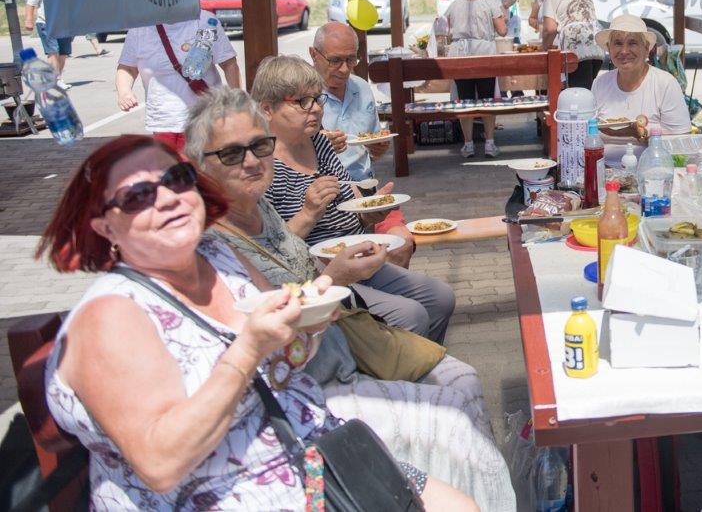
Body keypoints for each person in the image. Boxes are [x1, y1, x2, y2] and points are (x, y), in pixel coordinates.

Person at [38, 135, 476, 510]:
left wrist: (311, 319)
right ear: (104, 228)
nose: (167, 198)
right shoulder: (111, 316)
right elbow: (160, 463)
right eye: (137, 197)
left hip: (314, 455)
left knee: (463, 502)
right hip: (226, 494)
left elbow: (290, 357)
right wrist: (247, 350)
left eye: (176, 180)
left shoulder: (217, 256)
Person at [185, 88, 517, 510]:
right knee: (452, 412)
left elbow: (312, 247)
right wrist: (333, 276)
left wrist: (345, 256)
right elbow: (272, 341)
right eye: (231, 154)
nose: (251, 160)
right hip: (308, 386)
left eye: (259, 146)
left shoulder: (258, 204)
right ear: (201, 167)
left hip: (341, 344)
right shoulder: (213, 242)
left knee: (463, 376)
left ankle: (460, 490)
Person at [253, 55, 456, 343]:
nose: (315, 109)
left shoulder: (319, 142)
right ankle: (390, 374)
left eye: (318, 99)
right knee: (410, 315)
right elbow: (269, 252)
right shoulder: (261, 167)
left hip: (357, 256)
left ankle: (417, 364)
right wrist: (308, 213)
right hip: (317, 275)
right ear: (267, 108)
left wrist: (370, 212)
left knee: (440, 298)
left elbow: (349, 199)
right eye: (301, 102)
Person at [116, 16, 241, 152]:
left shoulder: (206, 22)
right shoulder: (140, 28)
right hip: (163, 120)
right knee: (170, 170)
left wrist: (237, 101)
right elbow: (127, 68)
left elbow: (229, 64)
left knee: (203, 170)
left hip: (205, 120)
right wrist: (124, 91)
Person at [591, 14, 692, 163]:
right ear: (609, 48)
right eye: (618, 43)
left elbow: (682, 142)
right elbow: (586, 135)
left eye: (632, 43)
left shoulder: (665, 83)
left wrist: (644, 134)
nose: (624, 51)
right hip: (603, 170)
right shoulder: (599, 84)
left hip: (652, 171)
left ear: (646, 49)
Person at [310, 22, 390, 182]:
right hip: (323, 188)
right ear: (313, 54)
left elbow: (370, 147)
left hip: (365, 183)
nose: (345, 69)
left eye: (351, 59)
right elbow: (283, 154)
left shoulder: (361, 87)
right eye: (335, 60)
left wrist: (378, 149)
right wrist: (316, 146)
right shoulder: (301, 95)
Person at [446, 0, 508, 158]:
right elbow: (503, 31)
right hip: (484, 54)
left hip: (459, 55)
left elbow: (447, 31)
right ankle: (489, 143)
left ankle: (468, 144)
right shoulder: (489, 3)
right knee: (487, 100)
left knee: (465, 101)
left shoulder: (455, 4)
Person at [538, 0, 605, 89]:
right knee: (588, 87)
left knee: (577, 91)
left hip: (576, 42)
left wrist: (543, 49)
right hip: (597, 40)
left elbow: (549, 29)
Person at [23, 0, 72, 89]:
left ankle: (58, 78)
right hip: (46, 23)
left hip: (65, 24)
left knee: (63, 52)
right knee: (53, 51)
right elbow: (31, 3)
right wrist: (28, 20)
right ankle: (55, 80)